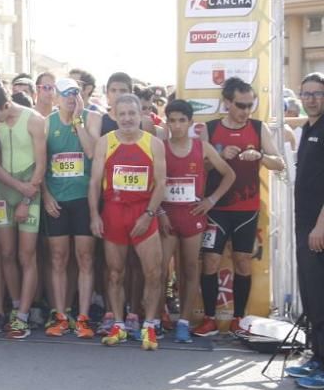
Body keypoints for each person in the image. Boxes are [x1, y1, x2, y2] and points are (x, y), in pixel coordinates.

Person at [197, 77, 285, 336]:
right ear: (226, 103)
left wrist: (261, 156)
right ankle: (210, 318)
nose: (246, 111)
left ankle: (238, 319)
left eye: (250, 105)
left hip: (247, 210)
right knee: (210, 262)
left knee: (243, 262)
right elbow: (197, 168)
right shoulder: (210, 129)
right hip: (215, 208)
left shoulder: (258, 128)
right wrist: (217, 158)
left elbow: (279, 163)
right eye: (241, 105)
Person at [88, 94, 167, 350]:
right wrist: (94, 215)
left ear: (140, 115)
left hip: (143, 212)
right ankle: (119, 325)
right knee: (114, 273)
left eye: (131, 114)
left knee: (153, 273)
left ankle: (150, 326)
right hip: (114, 212)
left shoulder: (153, 143)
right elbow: (94, 183)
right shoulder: (105, 143)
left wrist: (149, 214)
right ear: (115, 115)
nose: (127, 119)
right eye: (121, 114)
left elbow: (162, 183)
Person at [159, 100, 235, 343]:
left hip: (192, 217)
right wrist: (158, 211)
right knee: (160, 269)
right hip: (168, 216)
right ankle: (160, 315)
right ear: (167, 122)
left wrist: (211, 200)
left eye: (182, 120)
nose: (177, 125)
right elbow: (152, 183)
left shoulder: (202, 148)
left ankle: (184, 320)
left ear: (190, 123)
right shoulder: (160, 147)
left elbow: (229, 174)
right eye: (172, 120)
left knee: (191, 269)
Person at [0, 84, 46, 340]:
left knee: (26, 255)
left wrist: (27, 198)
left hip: (31, 191)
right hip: (5, 192)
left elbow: (41, 164)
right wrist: (18, 188)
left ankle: (24, 316)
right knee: (6, 253)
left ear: (5, 105)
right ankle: (16, 305)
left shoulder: (34, 120)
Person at [41, 78, 101, 338]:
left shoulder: (92, 118)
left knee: (85, 258)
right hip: (57, 200)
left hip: (83, 199)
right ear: (56, 97)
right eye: (65, 94)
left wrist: (78, 121)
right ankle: (60, 315)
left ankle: (84, 317)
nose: (70, 98)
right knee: (58, 259)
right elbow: (40, 164)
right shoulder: (47, 123)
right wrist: (45, 195)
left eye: (74, 93)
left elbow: (91, 153)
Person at [286, 73, 324, 388]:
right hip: (306, 227)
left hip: (319, 229)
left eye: (317, 93)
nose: (311, 98)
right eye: (306, 93)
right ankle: (316, 356)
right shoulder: (309, 127)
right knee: (311, 294)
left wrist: (320, 225)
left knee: (321, 295)